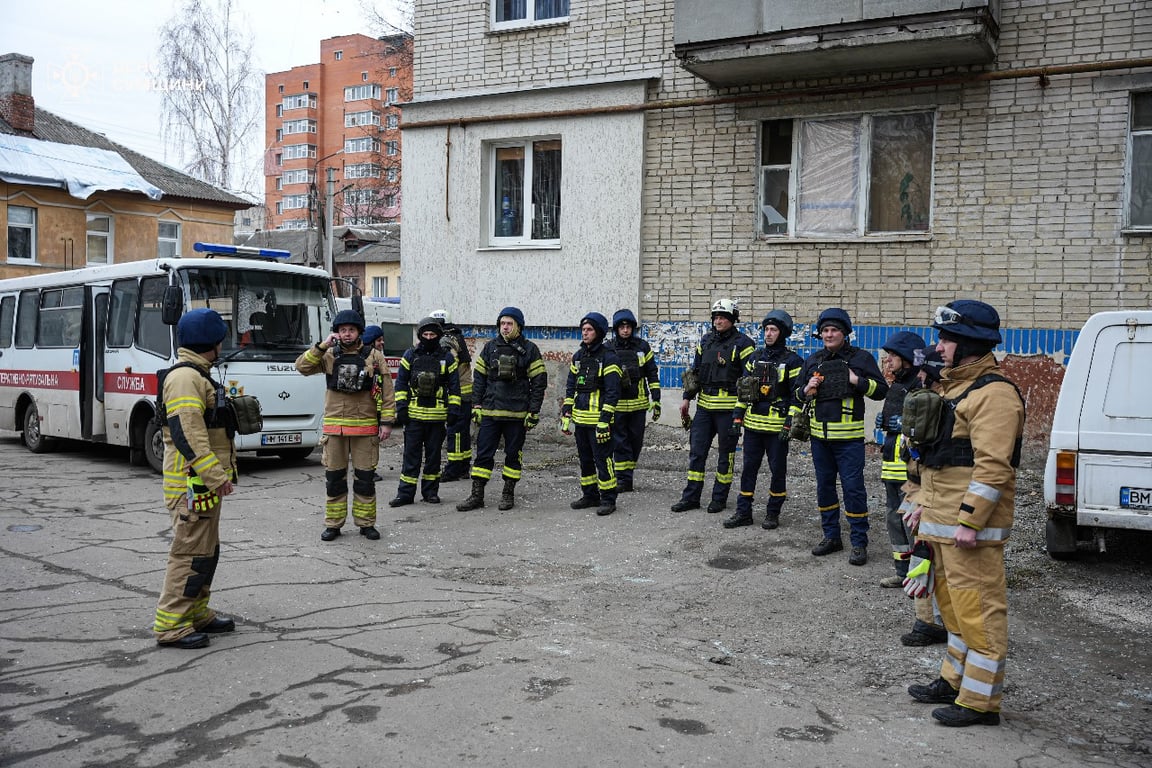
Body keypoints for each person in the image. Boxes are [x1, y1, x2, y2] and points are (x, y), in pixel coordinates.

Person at [904, 300, 1025, 727]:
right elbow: (933, 460)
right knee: (954, 611)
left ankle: (980, 702)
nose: (938, 347)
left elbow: (993, 467)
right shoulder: (952, 390)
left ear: (969, 343)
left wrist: (972, 521)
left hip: (967, 529)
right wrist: (918, 501)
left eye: (946, 339)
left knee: (979, 612)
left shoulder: (995, 395)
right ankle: (954, 680)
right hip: (940, 522)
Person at [153, 308, 238, 649]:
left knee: (205, 552)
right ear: (211, 343)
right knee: (189, 554)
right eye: (220, 340)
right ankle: (171, 625)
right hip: (191, 485)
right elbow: (188, 434)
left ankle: (196, 612)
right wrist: (216, 476)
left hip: (201, 484)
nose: (222, 345)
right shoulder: (186, 378)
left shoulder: (197, 374)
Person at [295, 309, 396, 541]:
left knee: (365, 480)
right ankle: (333, 525)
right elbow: (301, 367)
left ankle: (366, 524)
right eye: (342, 330)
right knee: (335, 481)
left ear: (359, 332)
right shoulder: (328, 354)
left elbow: (388, 392)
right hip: (335, 430)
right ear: (336, 332)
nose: (347, 334)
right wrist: (322, 346)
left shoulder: (374, 356)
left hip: (365, 429)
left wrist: (387, 422)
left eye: (351, 330)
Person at [797, 307, 888, 565]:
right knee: (824, 487)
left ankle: (859, 542)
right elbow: (797, 394)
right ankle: (831, 536)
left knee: (853, 489)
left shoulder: (861, 358)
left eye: (834, 330)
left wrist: (856, 380)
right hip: (820, 440)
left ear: (844, 333)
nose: (829, 334)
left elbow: (881, 390)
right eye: (825, 330)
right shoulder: (813, 360)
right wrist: (806, 389)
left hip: (849, 441)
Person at [457, 307, 548, 512]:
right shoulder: (490, 348)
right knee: (483, 454)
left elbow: (539, 382)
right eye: (502, 323)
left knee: (513, 455)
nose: (505, 327)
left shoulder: (530, 349)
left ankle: (508, 493)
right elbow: (479, 379)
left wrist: (533, 411)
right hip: (490, 412)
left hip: (517, 414)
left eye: (509, 324)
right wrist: (476, 405)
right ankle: (477, 495)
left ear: (518, 326)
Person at [671, 299, 756, 513]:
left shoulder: (744, 344)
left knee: (726, 455)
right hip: (704, 409)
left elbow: (748, 380)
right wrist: (686, 398)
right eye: (716, 317)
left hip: (728, 410)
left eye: (723, 317)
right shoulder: (706, 341)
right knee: (697, 453)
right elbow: (695, 372)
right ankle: (691, 497)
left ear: (732, 319)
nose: (718, 321)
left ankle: (719, 498)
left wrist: (740, 412)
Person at [723, 309, 804, 529]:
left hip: (777, 429)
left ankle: (772, 513)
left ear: (782, 333)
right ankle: (743, 512)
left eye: (773, 330)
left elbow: (797, 397)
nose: (768, 334)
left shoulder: (793, 362)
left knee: (778, 471)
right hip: (753, 427)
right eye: (766, 329)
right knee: (748, 470)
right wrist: (737, 418)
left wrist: (789, 423)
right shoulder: (754, 358)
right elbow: (744, 392)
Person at [898, 348, 949, 648]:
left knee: (931, 557)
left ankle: (934, 621)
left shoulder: (944, 403)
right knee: (923, 555)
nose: (918, 375)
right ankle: (928, 620)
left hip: (932, 493)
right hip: (918, 488)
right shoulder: (928, 399)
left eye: (923, 370)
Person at [390, 317, 461, 506]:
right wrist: (401, 408)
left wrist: (454, 410)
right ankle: (405, 494)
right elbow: (401, 383)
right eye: (426, 334)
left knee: (433, 459)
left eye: (432, 334)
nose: (429, 338)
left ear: (438, 336)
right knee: (410, 458)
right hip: (413, 417)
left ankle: (430, 493)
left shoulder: (447, 358)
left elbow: (454, 387)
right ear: (420, 335)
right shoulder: (410, 355)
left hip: (437, 418)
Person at [876, 331, 927, 585]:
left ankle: (918, 575)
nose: (888, 360)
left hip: (910, 469)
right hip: (891, 465)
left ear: (907, 358)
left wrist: (906, 425)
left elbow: (927, 426)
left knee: (912, 520)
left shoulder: (921, 387)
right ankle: (901, 571)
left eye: (892, 356)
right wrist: (885, 422)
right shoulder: (897, 386)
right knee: (893, 518)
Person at [562, 312, 622, 516]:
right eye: (583, 329)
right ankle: (590, 495)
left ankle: (608, 499)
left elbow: (613, 392)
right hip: (580, 420)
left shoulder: (609, 358)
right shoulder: (578, 356)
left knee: (603, 460)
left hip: (599, 422)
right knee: (585, 460)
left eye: (589, 330)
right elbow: (571, 386)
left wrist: (605, 420)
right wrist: (567, 412)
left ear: (599, 332)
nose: (585, 333)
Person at [605, 309, 661, 493]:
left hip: (639, 404)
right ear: (616, 329)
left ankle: (627, 473)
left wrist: (656, 399)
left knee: (635, 442)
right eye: (622, 327)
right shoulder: (608, 348)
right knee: (620, 442)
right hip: (617, 405)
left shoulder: (642, 347)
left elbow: (652, 373)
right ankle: (624, 479)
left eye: (628, 327)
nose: (625, 330)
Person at [431, 309, 475, 483]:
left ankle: (453, 469)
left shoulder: (446, 340)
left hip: (457, 394)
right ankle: (463, 467)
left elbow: (446, 367)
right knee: (462, 433)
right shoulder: (457, 336)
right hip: (465, 393)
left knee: (455, 433)